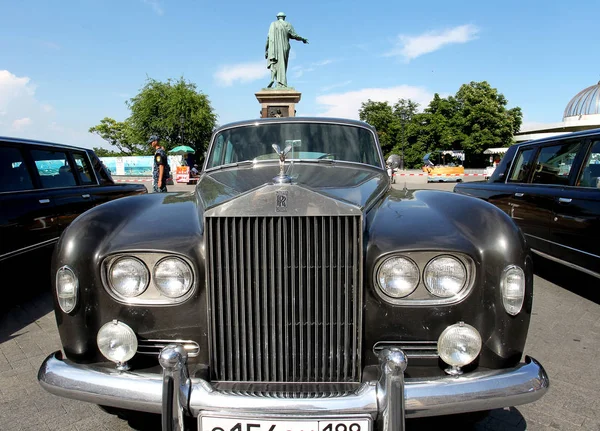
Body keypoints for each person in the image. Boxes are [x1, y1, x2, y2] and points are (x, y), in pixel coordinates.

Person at [265, 12, 308, 88]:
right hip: (284, 47)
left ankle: (273, 79)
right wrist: (302, 39)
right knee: (283, 65)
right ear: (284, 17)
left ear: (277, 17)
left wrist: (266, 49)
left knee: (274, 63)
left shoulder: (272, 24)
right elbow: (294, 35)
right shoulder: (287, 24)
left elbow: (268, 38)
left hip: (274, 48)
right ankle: (282, 83)